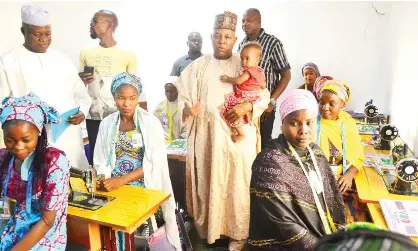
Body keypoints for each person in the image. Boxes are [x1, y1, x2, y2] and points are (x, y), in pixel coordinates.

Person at [176, 11, 269, 250]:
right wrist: (188, 111)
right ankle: (209, 232)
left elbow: (264, 95)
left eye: (227, 36)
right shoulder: (198, 66)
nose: (222, 40)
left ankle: (237, 235)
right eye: (218, 36)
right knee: (209, 182)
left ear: (234, 38)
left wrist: (248, 105)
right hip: (208, 139)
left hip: (239, 142)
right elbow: (182, 100)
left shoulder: (245, 62)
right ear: (211, 37)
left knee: (237, 185)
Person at [248, 89, 346, 251]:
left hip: (319, 235)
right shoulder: (270, 162)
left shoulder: (315, 152)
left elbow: (330, 195)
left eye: (309, 122)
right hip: (280, 245)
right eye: (294, 123)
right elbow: (282, 222)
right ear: (282, 124)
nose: (303, 130)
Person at [93, 73, 181, 250]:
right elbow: (100, 157)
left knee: (145, 237)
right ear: (114, 97)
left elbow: (153, 162)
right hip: (115, 187)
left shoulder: (150, 123)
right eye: (121, 98)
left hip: (144, 186)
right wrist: (104, 178)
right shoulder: (107, 123)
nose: (126, 104)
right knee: (116, 233)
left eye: (132, 98)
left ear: (138, 97)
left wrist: (121, 180)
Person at [0, 5, 91, 170]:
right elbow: (3, 102)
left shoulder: (63, 60)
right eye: (38, 34)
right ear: (23, 31)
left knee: (75, 180)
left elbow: (81, 95)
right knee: (38, 183)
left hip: (68, 135)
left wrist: (82, 112)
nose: (44, 39)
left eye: (47, 34)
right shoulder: (9, 61)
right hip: (31, 139)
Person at [0, 92, 70, 250]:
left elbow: (47, 221)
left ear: (38, 132)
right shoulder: (4, 158)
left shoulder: (54, 162)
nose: (18, 147)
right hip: (12, 228)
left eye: (26, 140)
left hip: (43, 237)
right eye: (10, 140)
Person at [79, 10, 147, 163]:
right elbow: (81, 87)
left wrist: (140, 121)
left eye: (95, 20)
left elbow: (135, 87)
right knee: (97, 158)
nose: (91, 24)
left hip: (119, 116)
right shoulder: (86, 52)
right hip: (93, 117)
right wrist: (81, 81)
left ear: (109, 25)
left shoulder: (127, 55)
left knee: (119, 156)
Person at [239, 8, 291, 148]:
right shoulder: (242, 44)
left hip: (264, 107)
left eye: (249, 21)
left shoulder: (273, 43)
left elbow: (286, 75)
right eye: (243, 21)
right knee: (245, 145)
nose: (244, 24)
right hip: (243, 106)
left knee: (262, 146)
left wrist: (271, 102)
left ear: (259, 22)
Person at [315, 79, 364, 194]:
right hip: (317, 183)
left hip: (341, 181)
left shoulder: (348, 124)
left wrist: (349, 174)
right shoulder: (311, 123)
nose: (325, 107)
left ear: (343, 105)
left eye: (331, 104)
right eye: (321, 102)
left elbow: (359, 157)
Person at [219, 42, 266, 142]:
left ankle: (240, 134)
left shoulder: (248, 71)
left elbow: (238, 81)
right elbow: (263, 86)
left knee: (229, 110)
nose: (244, 62)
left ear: (258, 59)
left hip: (245, 96)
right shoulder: (260, 71)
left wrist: (228, 79)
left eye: (247, 58)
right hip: (254, 96)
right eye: (242, 59)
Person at [153, 76, 186, 143]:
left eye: (172, 91)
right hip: (163, 143)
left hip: (181, 142)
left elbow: (188, 127)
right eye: (167, 91)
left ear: (178, 91)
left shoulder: (184, 106)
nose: (169, 94)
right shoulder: (160, 107)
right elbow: (154, 125)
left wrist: (180, 139)